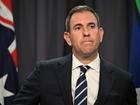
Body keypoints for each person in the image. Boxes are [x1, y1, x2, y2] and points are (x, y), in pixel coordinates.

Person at [12, 5, 137, 105]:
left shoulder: (123, 81)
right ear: (68, 38)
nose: (86, 32)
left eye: (91, 26)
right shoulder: (45, 72)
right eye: (78, 28)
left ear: (100, 34)